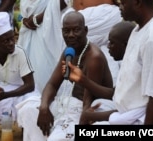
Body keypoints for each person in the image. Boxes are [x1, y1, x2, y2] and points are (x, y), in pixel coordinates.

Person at [64, 0, 153, 125]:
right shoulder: (138, 30)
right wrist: (82, 79)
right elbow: (124, 98)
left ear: (138, 2)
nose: (119, 7)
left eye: (123, 3)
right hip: (127, 113)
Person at [16, 11, 113, 141]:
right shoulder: (69, 51)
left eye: (76, 30)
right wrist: (44, 108)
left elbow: (87, 101)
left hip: (84, 110)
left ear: (85, 30)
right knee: (29, 110)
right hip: (66, 103)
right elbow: (52, 84)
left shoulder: (94, 57)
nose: (71, 35)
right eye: (66, 31)